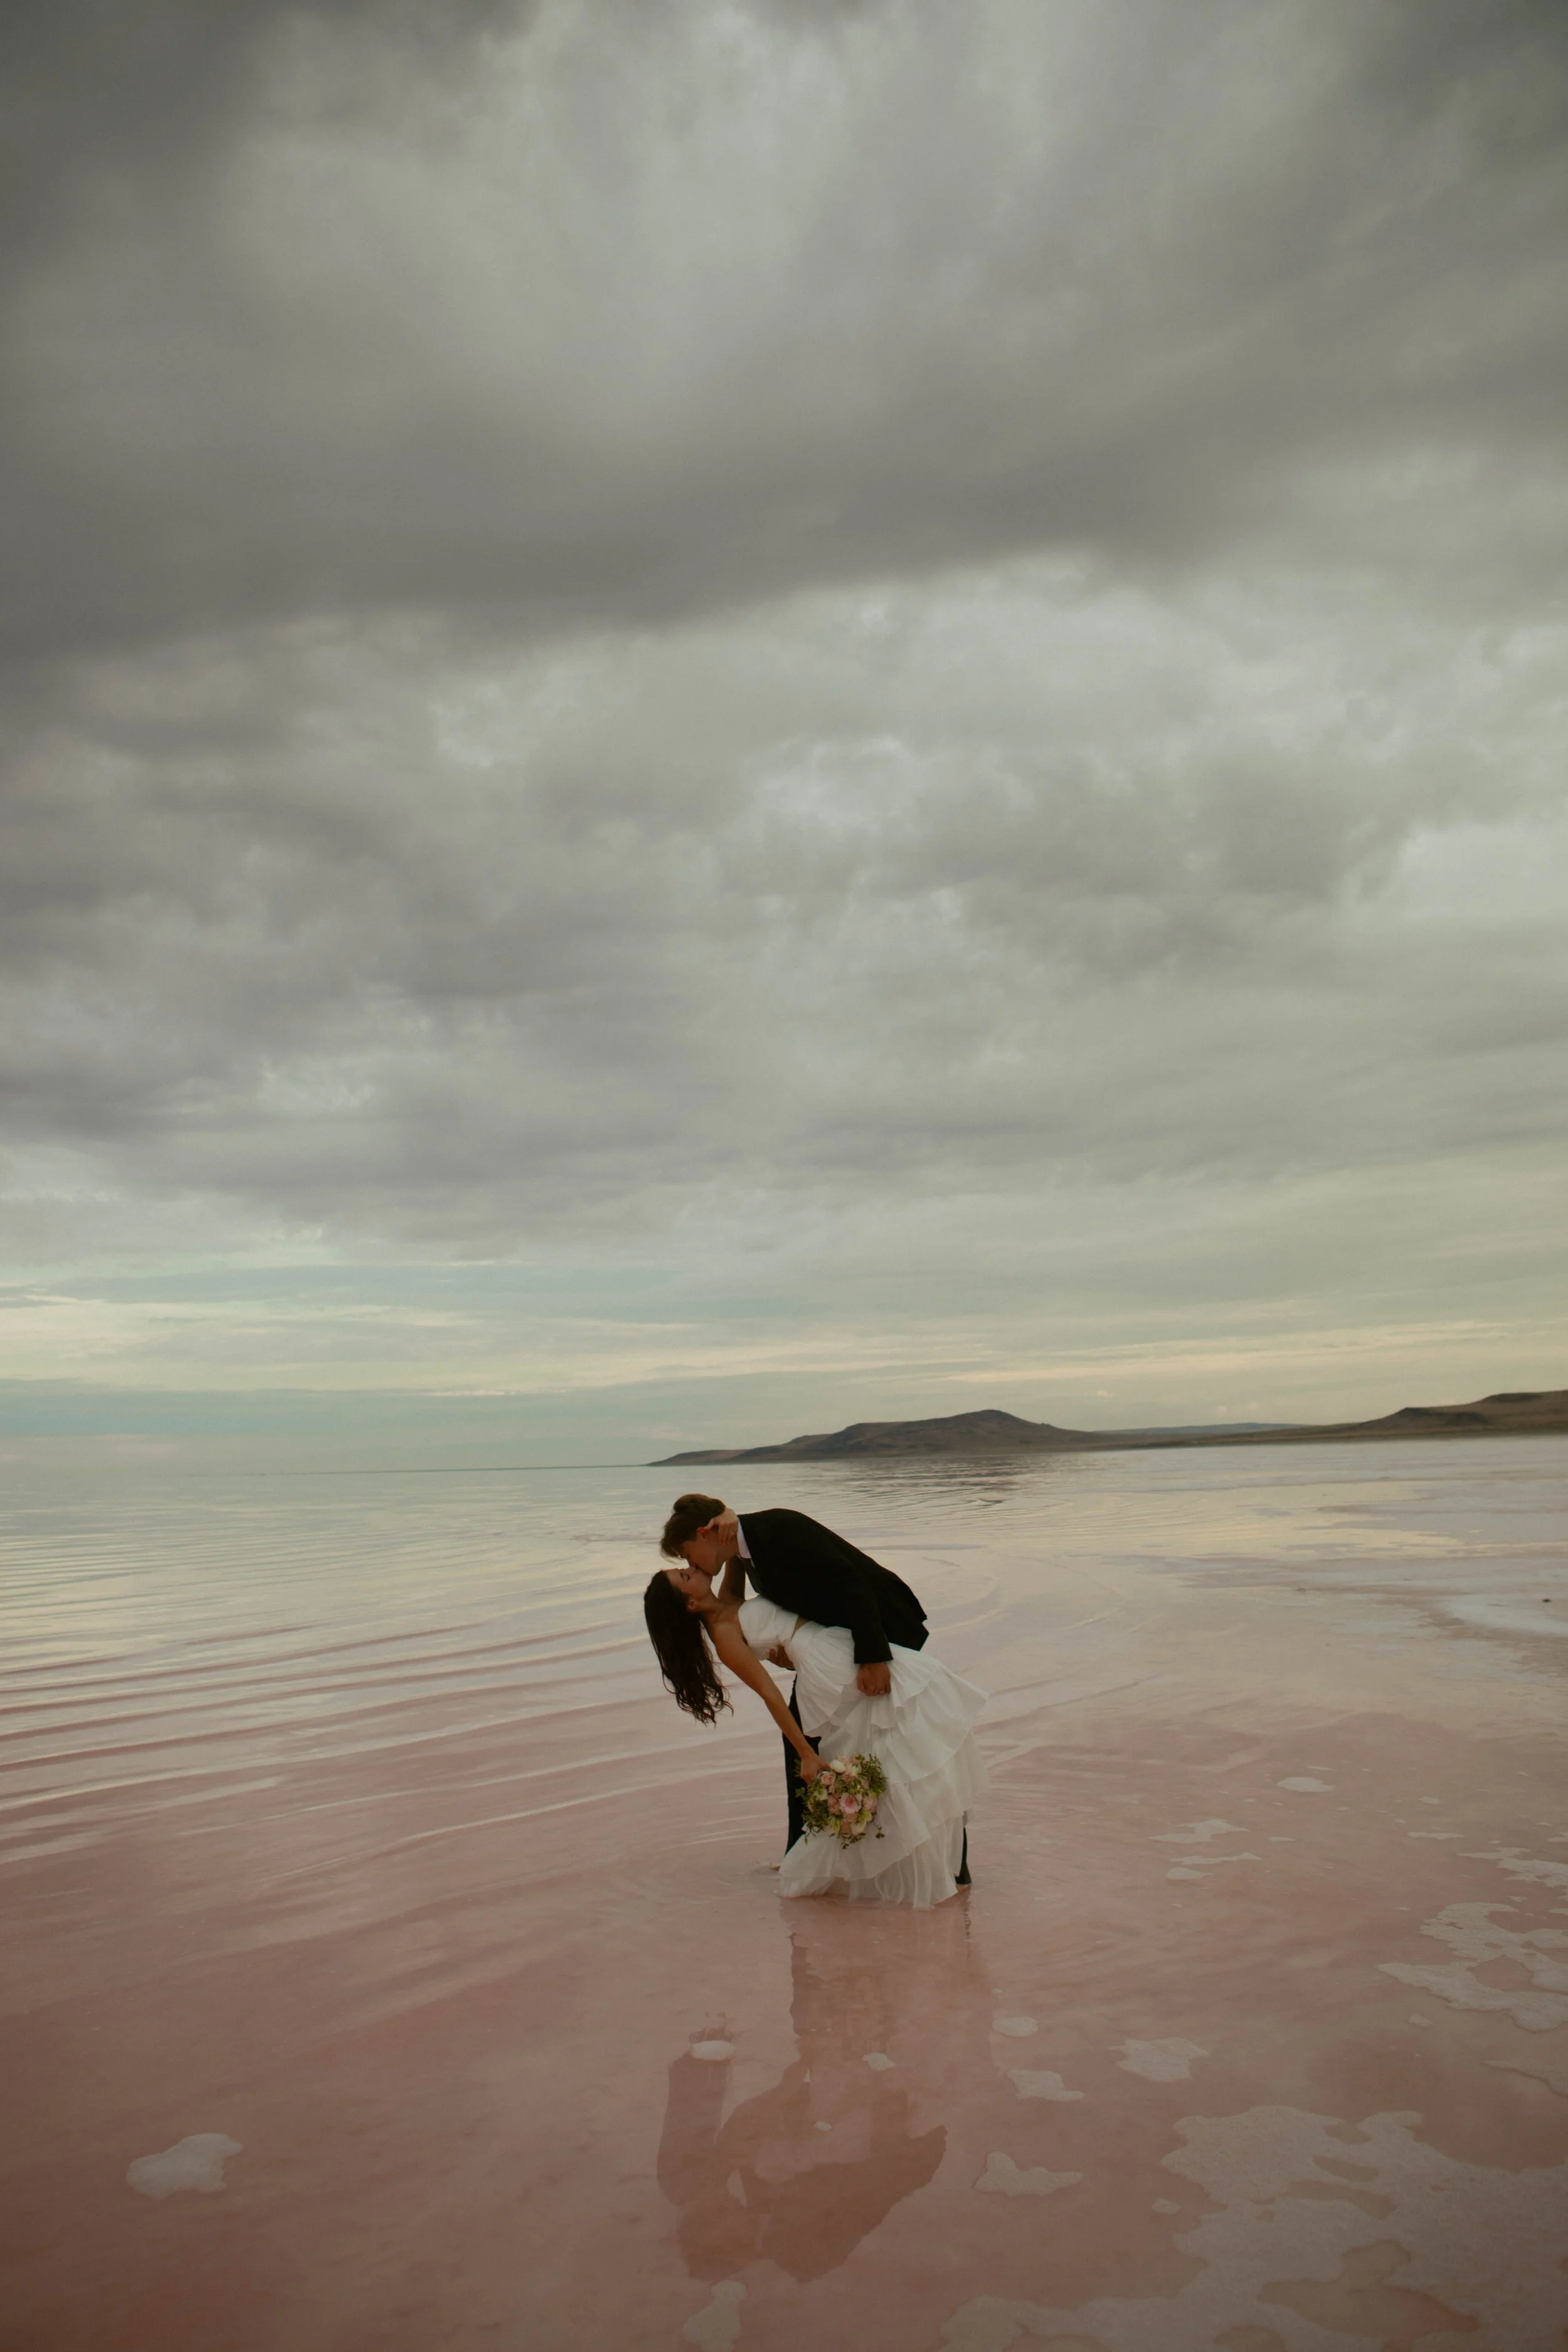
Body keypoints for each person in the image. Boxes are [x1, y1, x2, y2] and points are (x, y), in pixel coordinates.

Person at [644, 1505, 987, 1907]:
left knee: (910, 1741)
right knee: (901, 1745)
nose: (693, 1568)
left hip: (835, 1649)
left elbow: (732, 1547)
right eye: (685, 1575)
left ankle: (941, 1859)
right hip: (827, 1668)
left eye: (686, 1561)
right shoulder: (723, 1633)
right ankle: (908, 1858)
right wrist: (806, 1753)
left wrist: (725, 1516)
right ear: (689, 1605)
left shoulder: (728, 1597)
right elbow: (770, 1695)